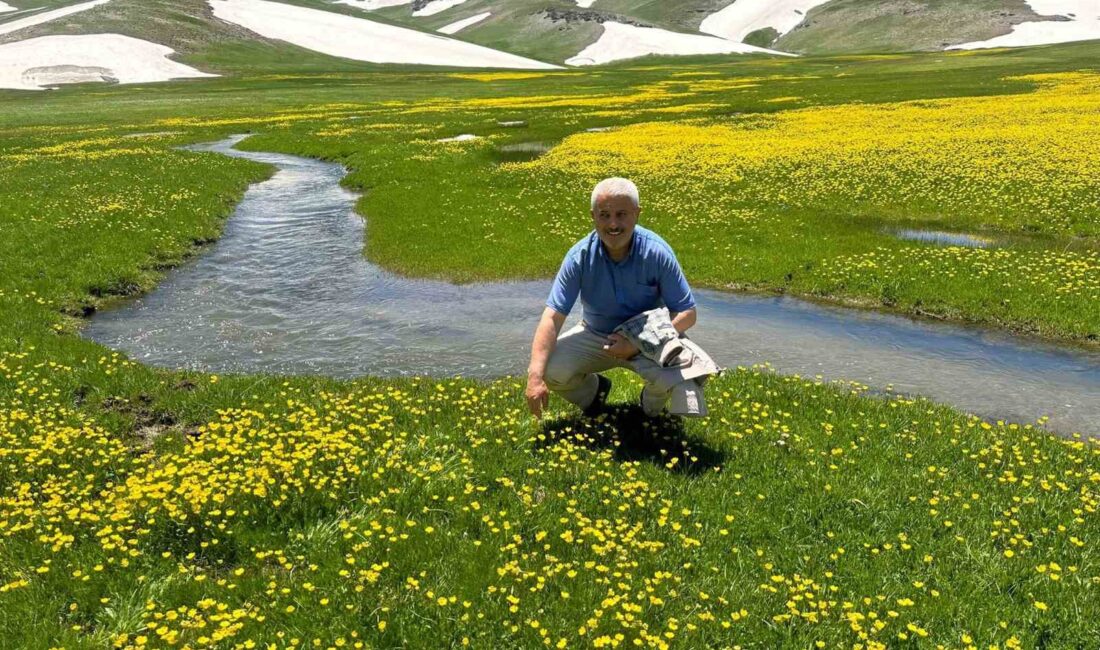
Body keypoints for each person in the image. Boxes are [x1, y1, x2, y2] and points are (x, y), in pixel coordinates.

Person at [525, 177, 701, 419]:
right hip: (596, 334)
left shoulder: (657, 252)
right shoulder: (579, 256)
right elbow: (553, 317)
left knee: (689, 374)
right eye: (604, 215)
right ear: (593, 216)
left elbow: (687, 313)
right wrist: (534, 377)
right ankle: (594, 394)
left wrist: (638, 342)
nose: (613, 224)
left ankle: (649, 412)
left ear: (637, 214)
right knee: (551, 368)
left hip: (649, 336)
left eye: (622, 214)